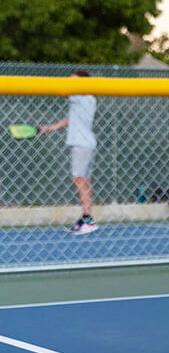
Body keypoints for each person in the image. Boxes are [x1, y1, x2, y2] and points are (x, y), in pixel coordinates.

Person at [38, 69, 98, 235]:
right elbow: (72, 119)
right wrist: (51, 128)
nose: (70, 83)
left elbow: (62, 90)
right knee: (84, 180)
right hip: (86, 143)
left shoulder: (81, 95)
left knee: (78, 179)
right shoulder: (85, 98)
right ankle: (88, 218)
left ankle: (88, 219)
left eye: (74, 80)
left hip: (82, 144)